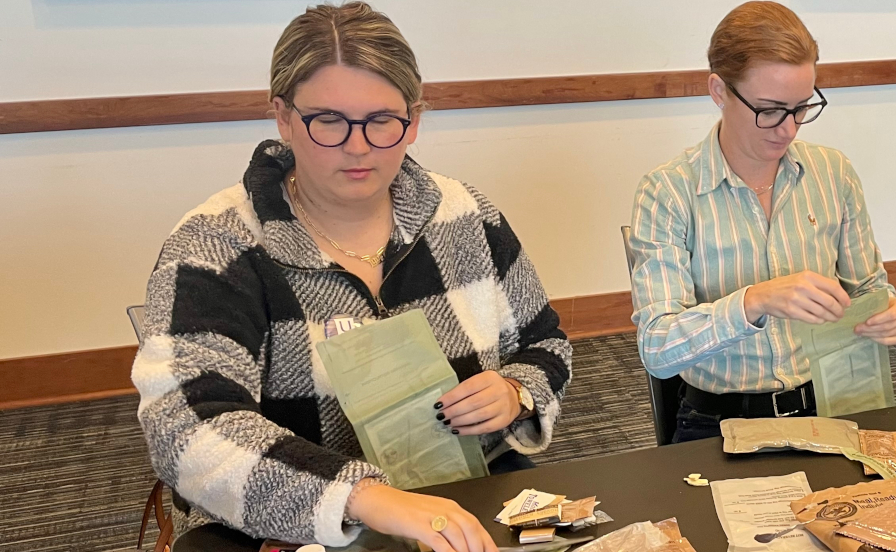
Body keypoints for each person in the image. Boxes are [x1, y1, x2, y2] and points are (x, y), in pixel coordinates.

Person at [130, 4, 570, 551]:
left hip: (462, 507)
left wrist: (516, 393)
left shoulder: (464, 215)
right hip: (288, 533)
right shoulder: (218, 244)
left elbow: (544, 342)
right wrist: (364, 497)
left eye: (382, 120)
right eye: (329, 121)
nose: (358, 146)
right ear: (284, 118)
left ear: (413, 120)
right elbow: (186, 429)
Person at [629, 1, 896, 443]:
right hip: (718, 423)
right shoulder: (669, 191)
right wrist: (754, 302)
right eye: (770, 109)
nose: (788, 129)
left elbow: (870, 291)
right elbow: (659, 348)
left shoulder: (832, 173)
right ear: (719, 91)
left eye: (802, 107)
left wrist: (888, 314)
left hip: (832, 405)